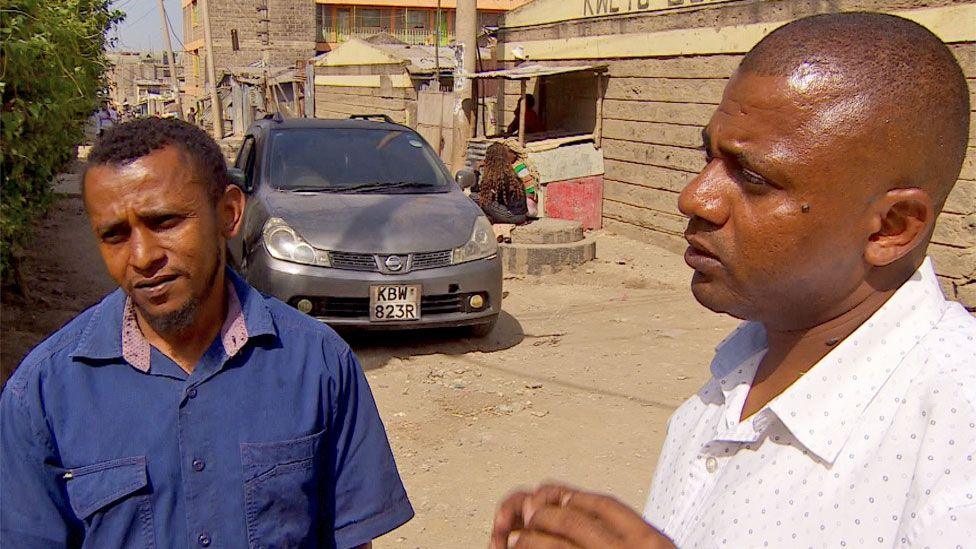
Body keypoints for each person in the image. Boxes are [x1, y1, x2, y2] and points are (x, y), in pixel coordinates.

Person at [490, 12, 973, 549]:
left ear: (891, 227)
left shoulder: (957, 421)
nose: (695, 198)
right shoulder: (735, 375)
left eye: (755, 179)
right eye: (709, 156)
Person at [0, 117, 414, 548]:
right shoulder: (42, 395)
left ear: (229, 214)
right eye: (115, 235)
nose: (142, 257)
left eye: (164, 222)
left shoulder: (320, 365)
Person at [473, 142, 529, 225]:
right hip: (521, 215)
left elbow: (479, 194)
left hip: (512, 215)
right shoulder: (509, 173)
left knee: (474, 197)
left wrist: (476, 171)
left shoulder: (499, 176)